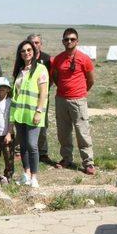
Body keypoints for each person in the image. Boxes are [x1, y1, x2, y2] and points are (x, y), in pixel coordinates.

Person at [51, 28, 96, 175]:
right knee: (63, 132)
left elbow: (90, 80)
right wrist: (64, 90)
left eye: (72, 39)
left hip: (78, 100)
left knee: (82, 131)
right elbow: (56, 77)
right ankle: (66, 158)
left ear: (77, 41)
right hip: (61, 99)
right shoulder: (58, 59)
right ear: (63, 41)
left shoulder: (84, 59)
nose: (69, 41)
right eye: (66, 39)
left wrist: (80, 92)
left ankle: (88, 162)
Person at [9, 40, 49, 188]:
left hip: (34, 114)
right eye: (23, 51)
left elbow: (44, 92)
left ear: (34, 51)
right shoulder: (20, 70)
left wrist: (39, 111)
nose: (26, 53)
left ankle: (34, 176)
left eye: (29, 50)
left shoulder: (41, 69)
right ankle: (26, 174)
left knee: (33, 145)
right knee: (24, 146)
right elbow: (16, 94)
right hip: (20, 114)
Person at [27, 34, 53, 164]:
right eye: (32, 43)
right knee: (24, 123)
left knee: (42, 124)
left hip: (42, 97)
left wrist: (43, 92)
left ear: (40, 44)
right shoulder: (24, 57)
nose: (35, 45)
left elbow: (51, 78)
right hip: (26, 97)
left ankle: (42, 152)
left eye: (37, 43)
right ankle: (23, 150)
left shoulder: (46, 59)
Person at [0, 77, 14, 183]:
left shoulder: (10, 102)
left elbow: (12, 118)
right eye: (0, 87)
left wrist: (9, 133)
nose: (2, 89)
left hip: (6, 133)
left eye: (4, 87)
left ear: (8, 89)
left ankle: (8, 175)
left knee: (8, 155)